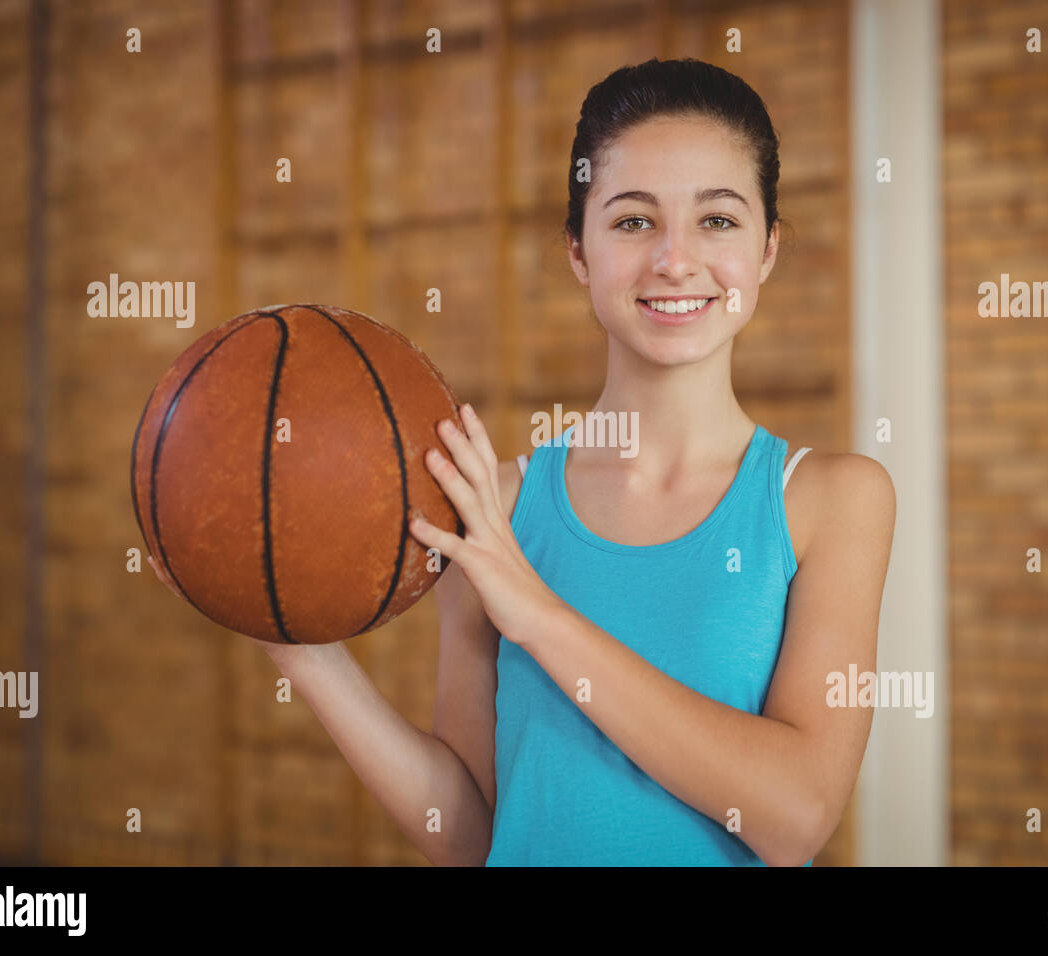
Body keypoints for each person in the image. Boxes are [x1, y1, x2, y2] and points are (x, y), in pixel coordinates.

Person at [162, 57, 894, 867]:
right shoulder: (492, 505)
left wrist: (538, 616)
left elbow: (794, 819)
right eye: (632, 221)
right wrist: (296, 642)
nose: (675, 260)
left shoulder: (831, 500)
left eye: (718, 220)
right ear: (579, 252)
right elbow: (473, 835)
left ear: (767, 250)